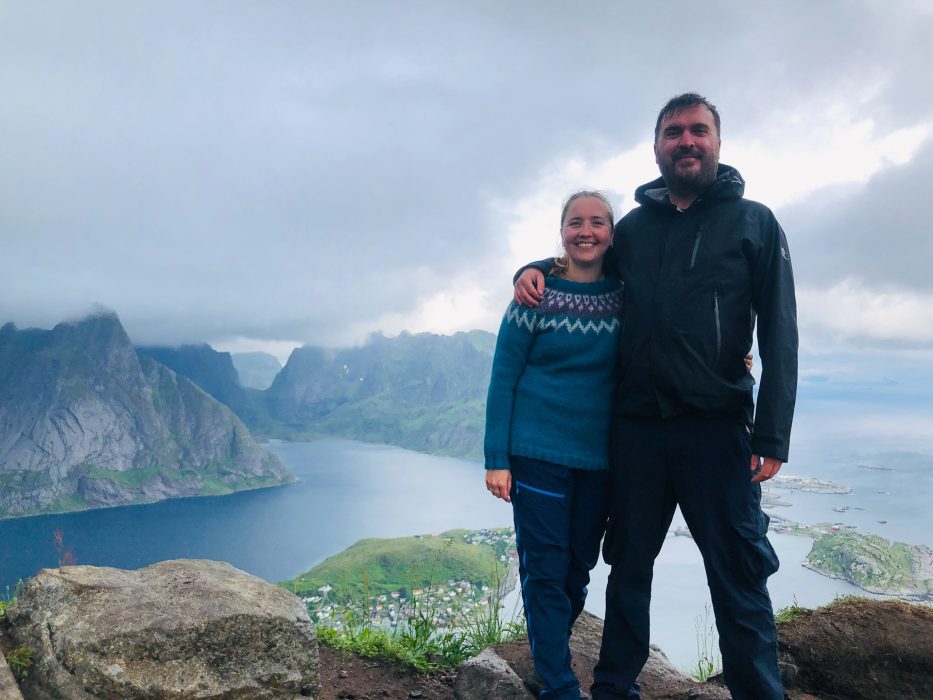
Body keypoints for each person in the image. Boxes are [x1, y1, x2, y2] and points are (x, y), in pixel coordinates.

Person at [514, 93, 798, 700]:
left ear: (718, 143)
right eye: (674, 132)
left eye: (699, 130)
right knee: (629, 568)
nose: (687, 141)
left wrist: (772, 434)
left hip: (718, 430)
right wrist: (530, 267)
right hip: (638, 429)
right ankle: (615, 687)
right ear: (658, 146)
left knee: (738, 573)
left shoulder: (755, 223)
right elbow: (580, 256)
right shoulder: (634, 231)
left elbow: (781, 332)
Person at [485, 191, 622, 700]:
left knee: (577, 567)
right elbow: (504, 378)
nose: (585, 232)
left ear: (612, 231)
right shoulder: (533, 296)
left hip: (599, 459)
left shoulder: (627, 296)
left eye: (597, 222)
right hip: (537, 453)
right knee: (544, 566)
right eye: (574, 223)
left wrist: (733, 357)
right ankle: (560, 685)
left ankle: (549, 652)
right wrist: (496, 459)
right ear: (561, 230)